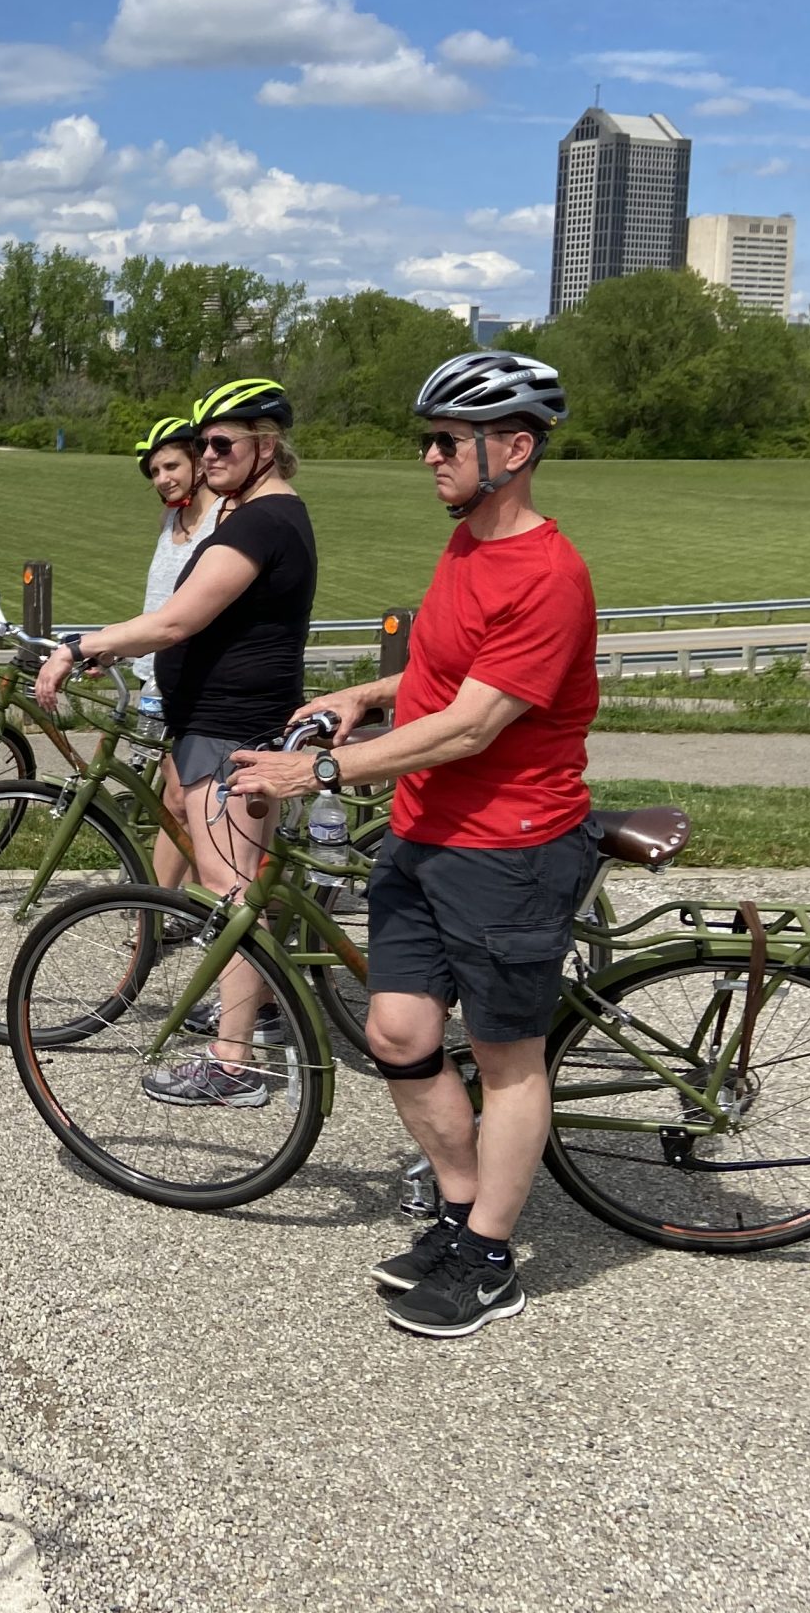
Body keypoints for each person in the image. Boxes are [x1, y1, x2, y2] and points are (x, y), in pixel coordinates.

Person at [228, 349, 596, 1340]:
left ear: (512, 448)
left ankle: (488, 1255)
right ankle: (462, 1208)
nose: (428, 456)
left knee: (510, 1059)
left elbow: (478, 724)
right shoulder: (468, 547)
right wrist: (361, 695)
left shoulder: (547, 573)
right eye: (424, 440)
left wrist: (319, 772)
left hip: (507, 847)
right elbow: (440, 676)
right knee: (396, 1032)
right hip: (427, 833)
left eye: (446, 440)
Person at [35, 378, 317, 1103]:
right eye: (204, 443)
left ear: (268, 444)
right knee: (236, 886)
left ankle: (235, 1063)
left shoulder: (261, 524)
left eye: (224, 442)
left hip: (229, 730)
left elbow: (173, 621)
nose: (208, 454)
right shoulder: (256, 515)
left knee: (230, 893)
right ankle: (251, 1014)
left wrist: (81, 645)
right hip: (217, 724)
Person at [132, 413, 220, 888]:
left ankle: (161, 909)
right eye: (155, 473)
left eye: (171, 466)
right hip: (157, 674)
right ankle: (165, 905)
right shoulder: (172, 518)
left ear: (197, 460)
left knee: (183, 799)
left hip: (198, 679)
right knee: (176, 798)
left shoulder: (222, 519)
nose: (163, 479)